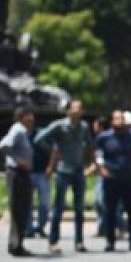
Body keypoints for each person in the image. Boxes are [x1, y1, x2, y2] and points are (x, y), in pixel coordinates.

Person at [35, 100, 94, 253]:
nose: (77, 111)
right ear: (68, 111)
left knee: (79, 209)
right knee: (58, 208)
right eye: (74, 108)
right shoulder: (59, 125)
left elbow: (90, 145)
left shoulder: (84, 127)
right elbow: (39, 139)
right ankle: (53, 241)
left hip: (79, 171)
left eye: (80, 108)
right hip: (63, 171)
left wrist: (90, 163)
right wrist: (54, 150)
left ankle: (79, 242)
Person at [96, 110, 131, 252]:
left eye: (122, 118)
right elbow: (97, 153)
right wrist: (102, 169)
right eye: (117, 119)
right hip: (111, 179)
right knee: (110, 211)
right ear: (111, 122)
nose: (120, 121)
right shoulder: (104, 137)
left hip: (128, 178)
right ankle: (110, 242)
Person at [0, 107, 35, 257]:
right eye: (29, 116)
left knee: (22, 209)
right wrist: (18, 161)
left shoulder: (23, 132)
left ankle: (17, 243)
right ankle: (15, 245)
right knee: (18, 209)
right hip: (16, 174)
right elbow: (4, 146)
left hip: (22, 174)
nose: (32, 119)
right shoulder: (18, 129)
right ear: (21, 117)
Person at [26, 123, 51, 238]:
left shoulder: (43, 134)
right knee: (27, 202)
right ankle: (29, 228)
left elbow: (54, 149)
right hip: (28, 172)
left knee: (44, 203)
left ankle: (41, 227)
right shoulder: (22, 134)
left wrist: (50, 167)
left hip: (42, 172)